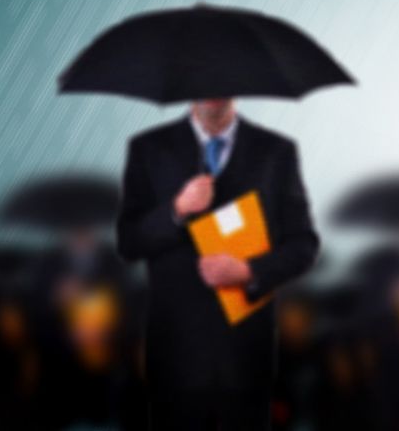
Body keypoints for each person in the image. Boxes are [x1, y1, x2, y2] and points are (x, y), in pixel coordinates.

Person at [116, 97, 319, 430]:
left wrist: (250, 271)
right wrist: (176, 211)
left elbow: (304, 245)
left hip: (246, 359)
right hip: (176, 358)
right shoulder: (148, 149)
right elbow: (129, 243)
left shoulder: (276, 152)